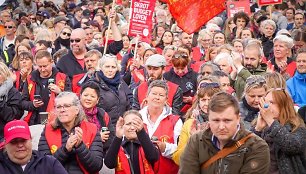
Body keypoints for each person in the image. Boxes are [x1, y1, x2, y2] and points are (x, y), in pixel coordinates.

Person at [179, 92, 270, 173]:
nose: (221, 127)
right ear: (208, 119)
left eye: (227, 120)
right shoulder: (196, 141)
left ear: (238, 118)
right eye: (216, 120)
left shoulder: (257, 146)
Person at [38, 92, 103, 174]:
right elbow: (43, 166)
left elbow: (96, 166)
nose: (62, 110)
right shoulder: (48, 130)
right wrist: (65, 149)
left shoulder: (92, 129)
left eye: (67, 106)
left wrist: (80, 146)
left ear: (77, 110)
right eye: (58, 107)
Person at [253, 88, 306, 173]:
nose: (267, 106)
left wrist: (271, 121)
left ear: (283, 105)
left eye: (272, 102)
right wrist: (257, 130)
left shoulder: (297, 127)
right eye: (265, 102)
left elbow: (292, 146)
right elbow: (247, 151)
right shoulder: (259, 125)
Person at [139, 80, 183, 174]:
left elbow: (181, 150)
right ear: (147, 96)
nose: (157, 97)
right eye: (154, 93)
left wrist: (165, 148)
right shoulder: (136, 118)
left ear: (166, 99)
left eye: (161, 95)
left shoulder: (175, 121)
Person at [172, 83, 222, 165]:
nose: (206, 104)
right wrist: (193, 141)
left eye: (210, 100)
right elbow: (177, 159)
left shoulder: (226, 123)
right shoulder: (190, 124)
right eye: (203, 100)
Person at [21, 50, 71, 125]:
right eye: (40, 66)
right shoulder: (30, 79)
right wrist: (33, 104)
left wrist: (60, 92)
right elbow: (22, 102)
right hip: (35, 120)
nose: (42, 69)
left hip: (57, 121)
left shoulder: (63, 77)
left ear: (51, 62)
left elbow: (71, 100)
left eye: (45, 66)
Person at [0, 120, 68, 174]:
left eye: (23, 140)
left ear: (31, 139)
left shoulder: (49, 163)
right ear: (5, 143)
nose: (20, 145)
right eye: (14, 141)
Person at [90, 54, 132, 126]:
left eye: (113, 67)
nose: (110, 70)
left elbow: (130, 100)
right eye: (107, 67)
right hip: (103, 128)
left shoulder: (121, 82)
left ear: (117, 68)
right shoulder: (93, 84)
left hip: (121, 127)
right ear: (100, 67)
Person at [80, 82, 115, 154]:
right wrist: (98, 138)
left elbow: (111, 135)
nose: (88, 98)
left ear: (97, 100)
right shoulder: (75, 113)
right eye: (85, 95)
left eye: (92, 96)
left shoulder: (102, 114)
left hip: (102, 153)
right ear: (80, 96)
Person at [163, 49, 198, 114]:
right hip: (171, 111)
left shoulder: (195, 76)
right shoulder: (166, 76)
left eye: (182, 68)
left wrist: (192, 99)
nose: (180, 71)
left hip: (190, 111)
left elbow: (200, 95)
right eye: (177, 68)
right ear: (172, 65)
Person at [0, 62, 23, 139]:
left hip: (6, 135)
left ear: (4, 75)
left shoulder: (13, 92)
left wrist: (1, 103)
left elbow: (13, 116)